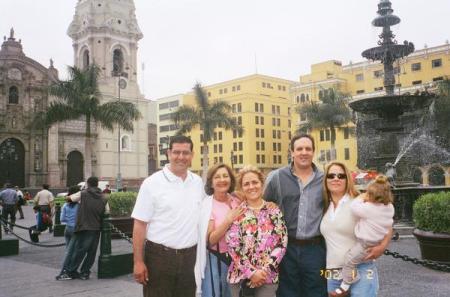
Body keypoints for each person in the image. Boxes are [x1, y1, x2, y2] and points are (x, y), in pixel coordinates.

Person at [131, 135, 204, 297]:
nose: (181, 157)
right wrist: (138, 261)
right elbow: (139, 224)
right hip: (159, 258)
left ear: (192, 155)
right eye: (176, 152)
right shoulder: (151, 183)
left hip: (190, 260)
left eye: (186, 153)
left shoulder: (198, 182)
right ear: (168, 153)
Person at [264, 134, 327, 297]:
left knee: (318, 292)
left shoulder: (324, 180)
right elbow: (262, 207)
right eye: (299, 149)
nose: (304, 152)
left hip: (315, 249)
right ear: (292, 152)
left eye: (308, 149)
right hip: (286, 249)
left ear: (313, 152)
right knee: (287, 293)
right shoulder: (276, 177)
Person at [320, 162, 392, 297]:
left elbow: (386, 225)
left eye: (340, 176)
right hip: (333, 272)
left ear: (347, 179)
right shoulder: (323, 205)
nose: (336, 179)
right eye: (331, 175)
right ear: (326, 180)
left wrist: (382, 247)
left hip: (362, 268)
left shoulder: (360, 201)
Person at [227, 165, 288, 297]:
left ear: (262, 184)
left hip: (267, 277)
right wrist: (251, 273)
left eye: (255, 182)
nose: (251, 186)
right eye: (246, 184)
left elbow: (281, 244)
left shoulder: (274, 211)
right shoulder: (237, 212)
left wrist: (263, 271)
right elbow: (233, 247)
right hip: (240, 278)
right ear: (242, 188)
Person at [199, 163, 243, 297]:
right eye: (217, 177)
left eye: (225, 176)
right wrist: (228, 221)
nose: (222, 180)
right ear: (211, 183)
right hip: (218, 260)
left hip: (238, 261)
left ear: (231, 180)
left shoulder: (238, 200)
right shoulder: (208, 205)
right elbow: (210, 240)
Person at [56, 177, 107, 281]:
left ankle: (70, 271)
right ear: (97, 184)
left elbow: (68, 199)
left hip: (83, 227)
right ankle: (85, 273)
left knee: (80, 251)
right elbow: (106, 212)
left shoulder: (83, 194)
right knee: (91, 253)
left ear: (88, 184)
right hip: (96, 228)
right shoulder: (104, 197)